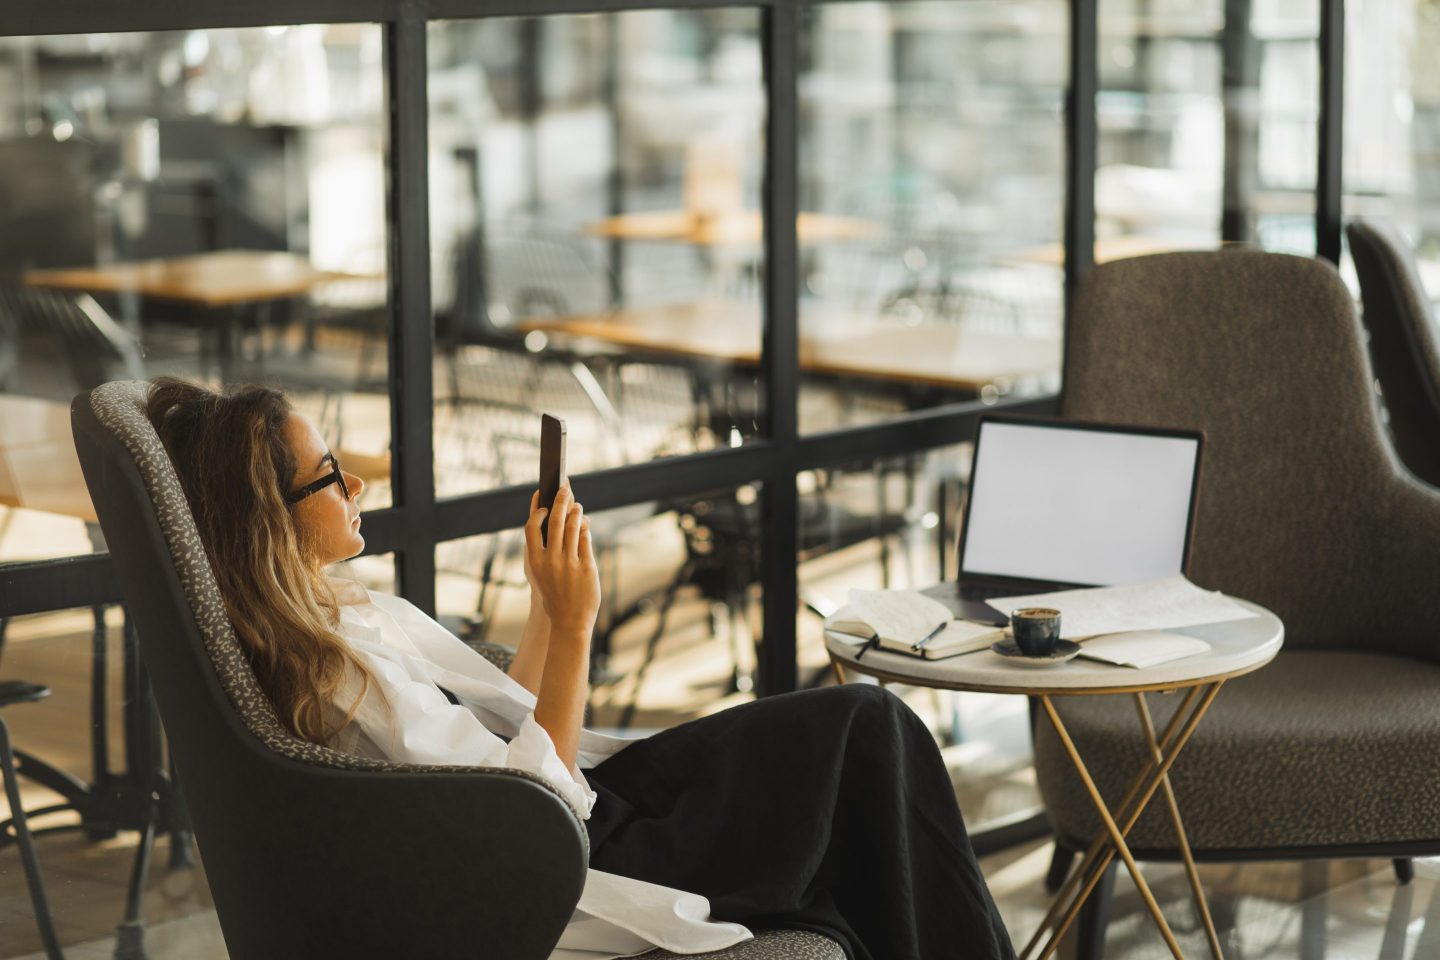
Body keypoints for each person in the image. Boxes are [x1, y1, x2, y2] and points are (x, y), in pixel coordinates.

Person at [146, 376, 1016, 960]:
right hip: (574, 855)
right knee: (868, 734)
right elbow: (528, 806)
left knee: (869, 742)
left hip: (594, 802)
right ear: (273, 518)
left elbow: (501, 725)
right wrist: (574, 622)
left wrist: (547, 607)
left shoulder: (341, 613)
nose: (358, 486)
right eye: (331, 476)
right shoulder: (332, 676)